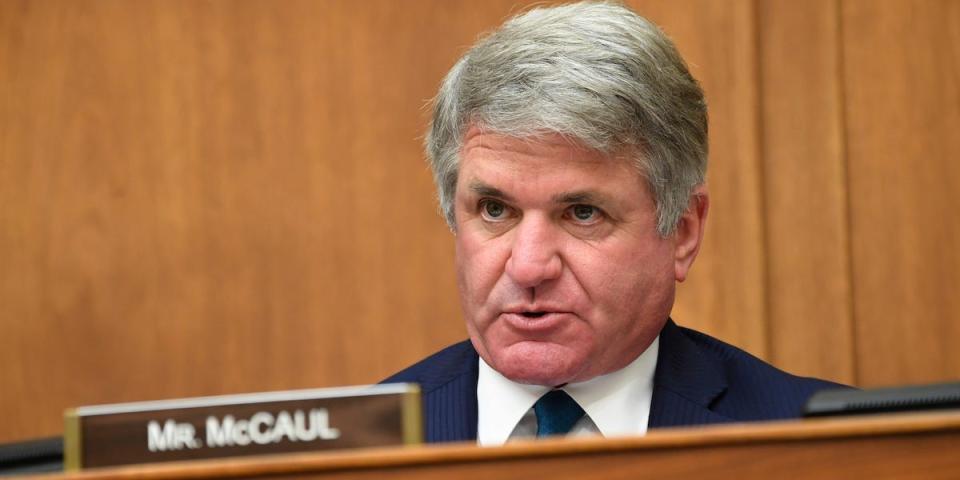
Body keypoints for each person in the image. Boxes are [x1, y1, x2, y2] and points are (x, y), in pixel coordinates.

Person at [384, 1, 841, 445]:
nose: (527, 268)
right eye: (495, 210)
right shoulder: (350, 449)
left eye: (582, 213)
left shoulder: (826, 448)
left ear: (682, 232)